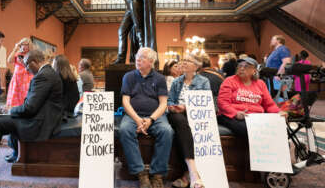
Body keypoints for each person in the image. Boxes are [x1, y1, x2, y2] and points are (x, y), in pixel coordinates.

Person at [0, 50, 64, 186]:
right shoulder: (48, 73)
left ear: (35, 62)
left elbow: (29, 109)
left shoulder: (43, 76)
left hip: (38, 122)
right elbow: (31, 106)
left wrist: (11, 110)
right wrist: (12, 111)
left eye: (27, 65)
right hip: (41, 118)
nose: (26, 69)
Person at [119, 47, 173, 188]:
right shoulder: (128, 77)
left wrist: (151, 119)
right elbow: (125, 102)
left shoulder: (160, 78)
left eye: (142, 57)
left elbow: (163, 104)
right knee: (124, 130)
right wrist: (137, 119)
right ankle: (140, 172)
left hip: (155, 116)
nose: (138, 59)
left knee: (167, 131)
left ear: (151, 62)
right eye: (137, 56)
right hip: (132, 115)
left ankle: (157, 174)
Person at [167, 54, 210, 188]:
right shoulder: (176, 81)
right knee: (180, 121)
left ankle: (188, 174)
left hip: (195, 115)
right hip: (177, 115)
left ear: (196, 66)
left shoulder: (203, 82)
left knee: (186, 127)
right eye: (183, 60)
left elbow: (206, 103)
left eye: (188, 61)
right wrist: (173, 107)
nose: (184, 63)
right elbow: (170, 100)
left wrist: (186, 108)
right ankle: (192, 171)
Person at [217, 57, 287, 139]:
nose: (242, 68)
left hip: (255, 117)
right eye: (240, 66)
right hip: (231, 115)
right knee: (248, 129)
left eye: (246, 66)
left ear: (254, 71)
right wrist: (236, 113)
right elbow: (222, 103)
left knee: (279, 129)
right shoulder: (229, 81)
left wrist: (278, 112)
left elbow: (269, 105)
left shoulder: (260, 84)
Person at [113, 0, 157, 64]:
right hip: (129, 4)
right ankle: (121, 58)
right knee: (121, 31)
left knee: (139, 29)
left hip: (134, 2)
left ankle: (143, 56)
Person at [6, 37, 34, 111]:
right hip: (17, 78)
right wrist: (15, 49)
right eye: (22, 44)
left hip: (27, 78)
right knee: (15, 97)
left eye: (26, 45)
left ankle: (25, 111)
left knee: (25, 96)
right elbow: (9, 60)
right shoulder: (18, 53)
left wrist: (24, 63)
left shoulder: (31, 55)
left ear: (29, 46)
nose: (24, 46)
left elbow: (33, 67)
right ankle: (14, 111)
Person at [52, 55, 79, 119]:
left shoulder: (57, 76)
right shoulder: (71, 76)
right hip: (73, 108)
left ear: (56, 64)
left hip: (64, 111)